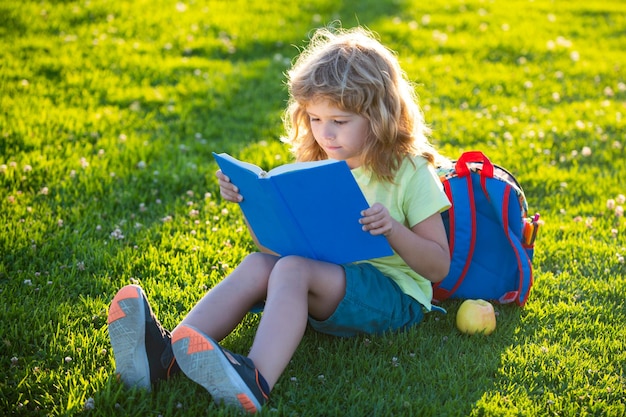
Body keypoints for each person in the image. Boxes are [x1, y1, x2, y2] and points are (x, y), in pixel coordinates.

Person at [107, 26, 451, 414]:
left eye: (340, 120)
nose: (326, 134)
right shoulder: (320, 168)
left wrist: (394, 230)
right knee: (261, 264)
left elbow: (438, 266)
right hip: (329, 282)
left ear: (379, 115)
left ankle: (256, 379)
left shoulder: (409, 171)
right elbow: (274, 250)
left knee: (292, 271)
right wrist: (251, 204)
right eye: (316, 119)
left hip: (394, 296)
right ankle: (164, 357)